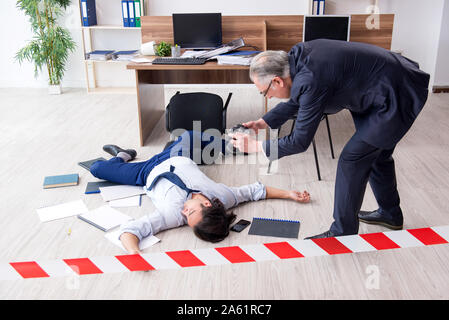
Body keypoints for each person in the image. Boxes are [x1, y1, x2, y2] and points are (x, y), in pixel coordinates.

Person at [231, 39, 430, 239]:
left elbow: (299, 141)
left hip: (395, 95)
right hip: (381, 87)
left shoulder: (310, 79)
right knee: (377, 155)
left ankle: (342, 232)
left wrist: (256, 147)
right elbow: (301, 98)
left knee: (352, 160)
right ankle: (390, 214)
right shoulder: (297, 59)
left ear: (277, 81)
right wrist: (263, 122)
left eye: (264, 92)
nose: (267, 97)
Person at [90, 130, 310, 254]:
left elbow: (130, 230)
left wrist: (134, 255)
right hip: (176, 156)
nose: (184, 213)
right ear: (208, 204)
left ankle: (122, 155)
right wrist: (289, 194)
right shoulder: (223, 197)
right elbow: (255, 191)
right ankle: (229, 144)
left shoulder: (173, 216)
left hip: (145, 173)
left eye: (187, 218)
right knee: (189, 134)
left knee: (97, 169)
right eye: (190, 212)